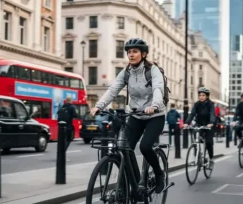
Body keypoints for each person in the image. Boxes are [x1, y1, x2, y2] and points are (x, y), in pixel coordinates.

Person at [90, 38, 167, 194]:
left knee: (145, 147)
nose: (131, 55)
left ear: (143, 54)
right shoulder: (126, 72)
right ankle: (132, 184)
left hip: (155, 115)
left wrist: (155, 105)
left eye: (135, 52)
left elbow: (158, 88)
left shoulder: (152, 70)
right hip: (136, 115)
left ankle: (159, 174)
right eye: (129, 52)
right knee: (124, 148)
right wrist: (99, 106)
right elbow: (113, 90)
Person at [183, 87, 216, 168]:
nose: (201, 97)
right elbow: (192, 114)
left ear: (207, 96)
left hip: (208, 124)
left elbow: (212, 114)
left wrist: (211, 123)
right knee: (195, 137)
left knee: (208, 142)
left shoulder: (211, 104)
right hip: (199, 123)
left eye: (203, 95)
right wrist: (187, 123)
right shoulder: (197, 104)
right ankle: (198, 154)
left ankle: (211, 159)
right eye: (200, 95)